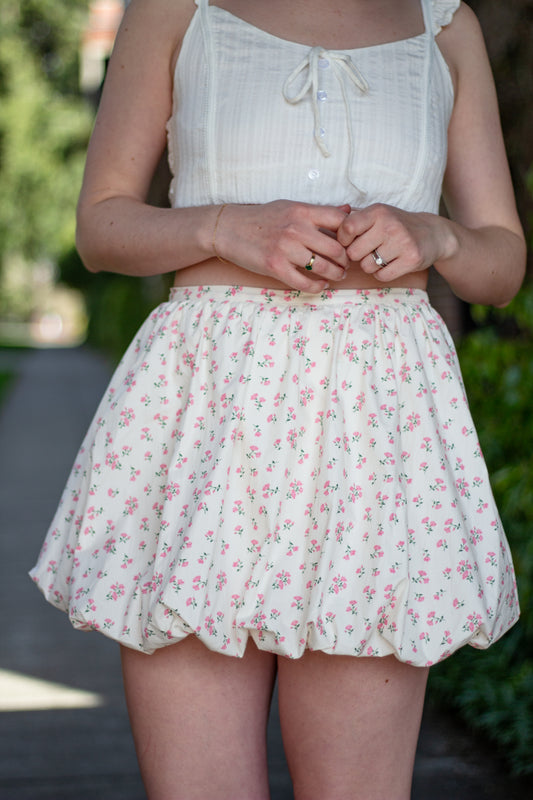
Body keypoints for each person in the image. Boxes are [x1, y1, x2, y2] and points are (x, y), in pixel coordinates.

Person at [30, 1, 526, 798]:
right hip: (207, 418)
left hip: (376, 425)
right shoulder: (175, 9)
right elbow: (102, 224)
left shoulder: (444, 23)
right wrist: (227, 228)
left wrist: (438, 238)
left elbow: (500, 262)